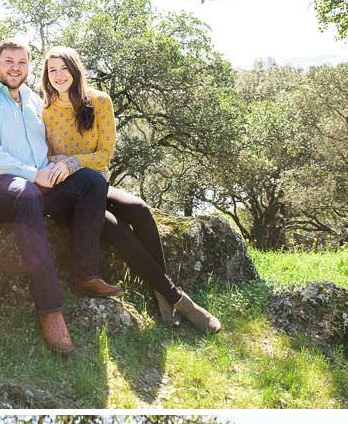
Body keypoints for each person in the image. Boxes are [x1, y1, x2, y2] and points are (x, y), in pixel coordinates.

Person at [39, 47, 222, 336]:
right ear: (46, 76)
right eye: (52, 70)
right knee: (116, 229)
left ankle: (162, 294)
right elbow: (45, 158)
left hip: (99, 181)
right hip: (71, 195)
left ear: (75, 71)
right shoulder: (45, 111)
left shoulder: (99, 101)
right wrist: (60, 165)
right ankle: (181, 301)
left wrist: (71, 161)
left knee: (139, 209)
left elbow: (105, 154)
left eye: (64, 69)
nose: (59, 76)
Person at [0, 39, 118, 357]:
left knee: (89, 181)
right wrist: (35, 175)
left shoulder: (32, 101)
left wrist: (57, 169)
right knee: (27, 194)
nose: (15, 67)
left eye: (22, 62)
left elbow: (42, 149)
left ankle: (85, 274)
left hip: (33, 181)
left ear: (29, 67)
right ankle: (50, 309)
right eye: (9, 61)